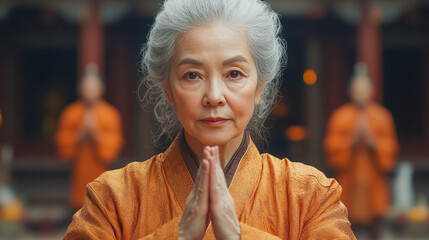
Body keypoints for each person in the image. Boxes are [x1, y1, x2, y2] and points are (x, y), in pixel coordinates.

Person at [64, 0, 356, 239]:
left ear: (260, 88)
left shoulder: (312, 196)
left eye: (234, 74)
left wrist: (240, 237)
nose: (214, 96)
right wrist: (176, 236)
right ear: (168, 89)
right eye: (192, 75)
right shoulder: (112, 199)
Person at [324, 63, 399, 240]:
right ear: (350, 91)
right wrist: (352, 141)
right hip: (349, 184)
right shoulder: (340, 116)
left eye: (364, 90)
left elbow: (391, 149)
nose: (361, 93)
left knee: (376, 230)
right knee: (347, 231)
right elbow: (331, 148)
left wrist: (373, 143)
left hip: (375, 185)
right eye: (357, 90)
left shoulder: (382, 116)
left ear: (371, 90)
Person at [55, 64, 124, 211]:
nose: (90, 91)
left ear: (101, 89)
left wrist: (97, 135)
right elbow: (62, 145)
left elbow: (114, 148)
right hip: (79, 174)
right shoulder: (71, 113)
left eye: (94, 87)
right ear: (79, 89)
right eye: (87, 87)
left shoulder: (110, 114)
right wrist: (78, 136)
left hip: (101, 174)